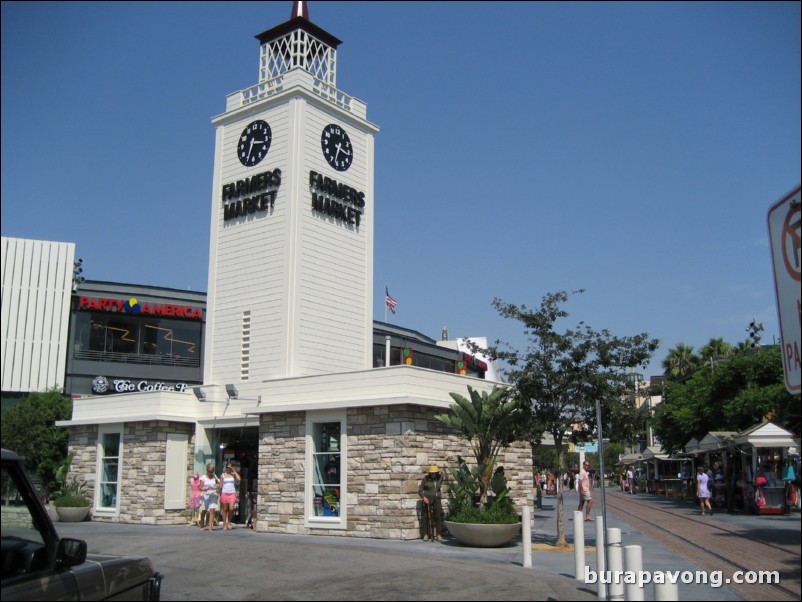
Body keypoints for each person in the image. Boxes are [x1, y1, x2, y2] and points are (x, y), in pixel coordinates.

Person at [418, 465, 444, 541]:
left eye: (434, 472)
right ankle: (426, 534)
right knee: (426, 517)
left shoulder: (440, 478)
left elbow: (443, 474)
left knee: (437, 516)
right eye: (431, 473)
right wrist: (424, 497)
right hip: (427, 499)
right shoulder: (425, 479)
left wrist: (439, 470)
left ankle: (438, 534)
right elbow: (420, 491)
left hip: (437, 499)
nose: (433, 474)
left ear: (437, 472)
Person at [220, 462, 241, 531]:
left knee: (231, 508)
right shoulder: (222, 475)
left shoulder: (233, 475)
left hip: (232, 493)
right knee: (225, 509)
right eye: (227, 467)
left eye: (230, 467)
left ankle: (229, 522)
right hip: (225, 493)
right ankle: (224, 524)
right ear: (226, 468)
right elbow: (220, 485)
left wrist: (234, 471)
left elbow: (239, 479)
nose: (229, 469)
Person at [200, 463, 220, 532]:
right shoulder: (203, 477)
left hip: (213, 494)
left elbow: (219, 483)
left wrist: (217, 486)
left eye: (212, 472)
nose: (211, 473)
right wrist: (204, 489)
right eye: (210, 472)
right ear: (207, 470)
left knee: (212, 510)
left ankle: (210, 527)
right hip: (206, 494)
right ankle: (202, 522)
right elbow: (200, 487)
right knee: (204, 510)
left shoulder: (214, 476)